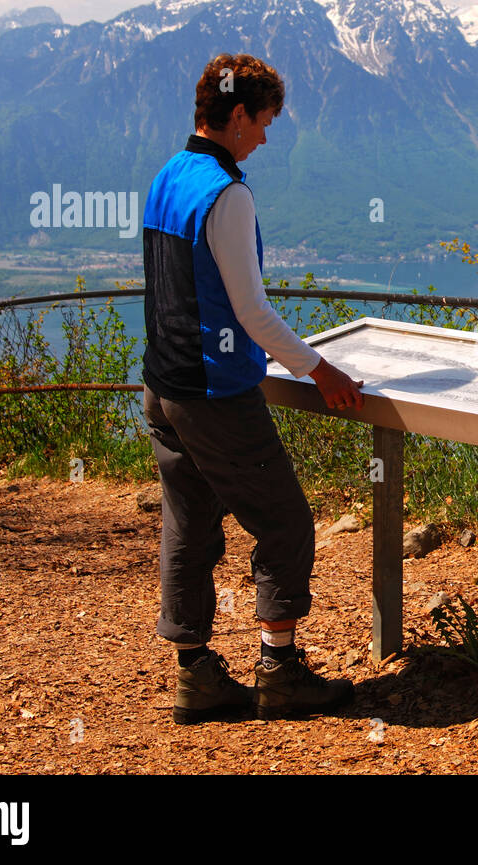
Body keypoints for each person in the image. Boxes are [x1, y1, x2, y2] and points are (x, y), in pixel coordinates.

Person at [141, 52, 364, 724]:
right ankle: (280, 669)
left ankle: (197, 674)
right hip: (215, 393)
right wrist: (320, 371)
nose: (267, 137)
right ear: (238, 116)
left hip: (164, 386)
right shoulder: (227, 194)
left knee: (189, 524)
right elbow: (252, 311)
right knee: (286, 521)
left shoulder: (167, 178)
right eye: (264, 122)